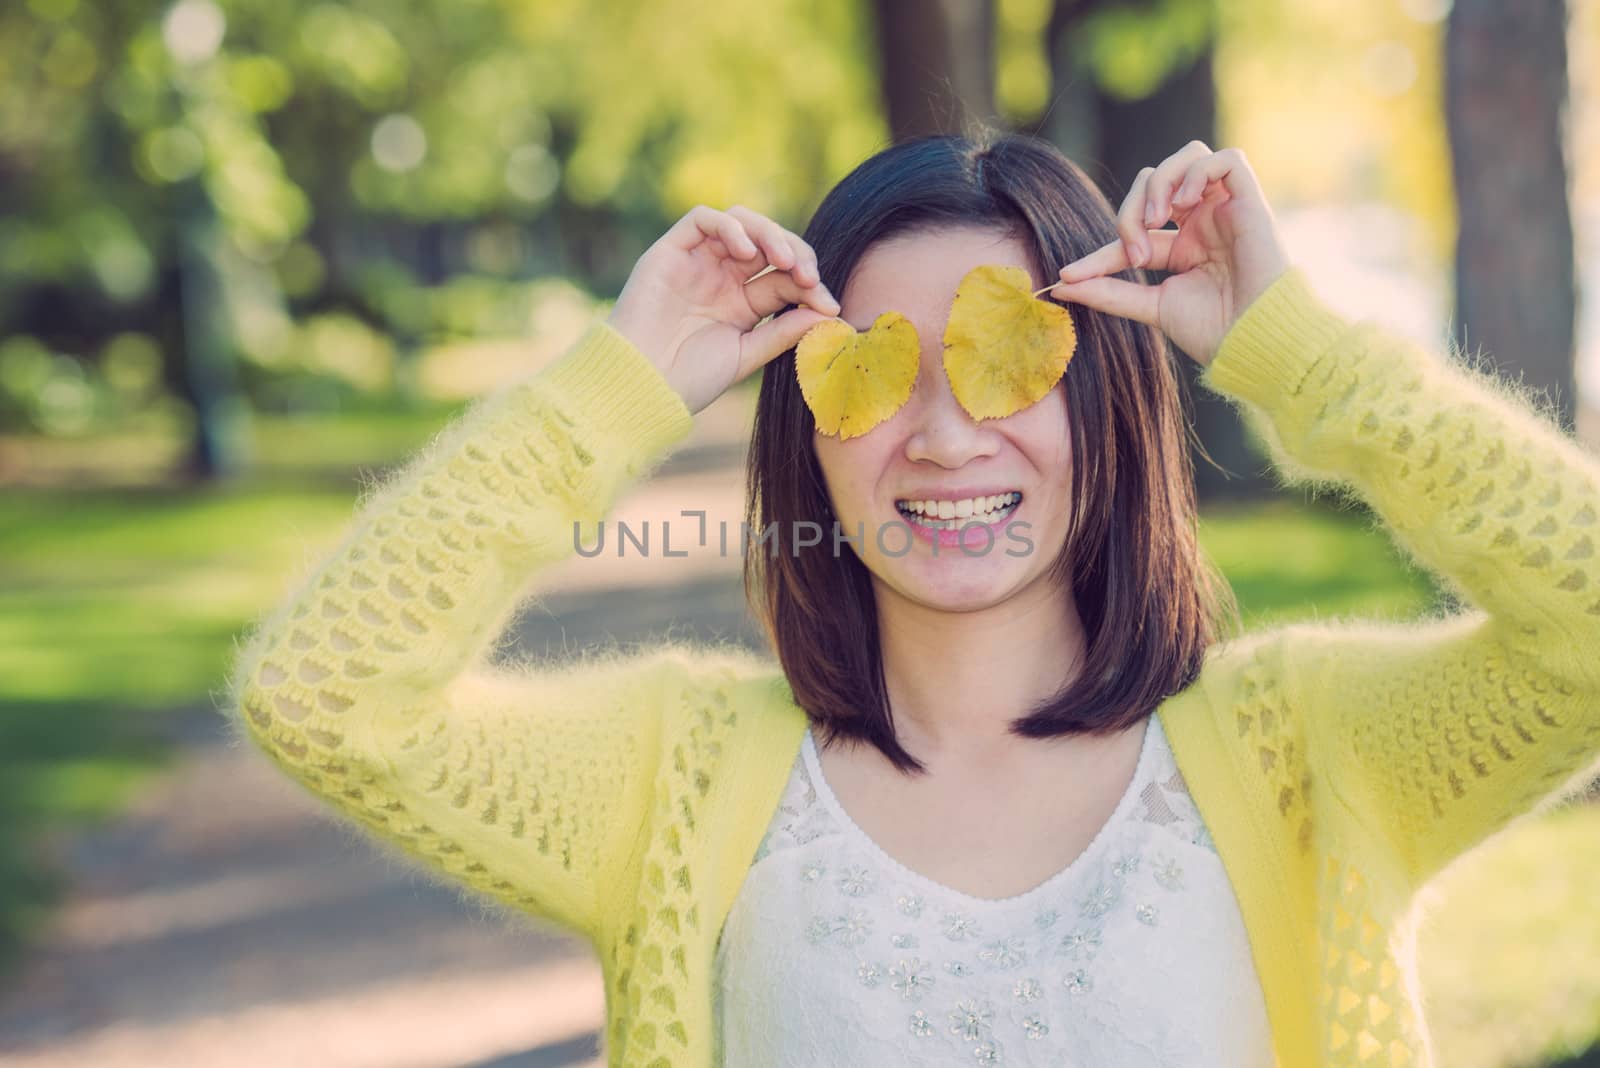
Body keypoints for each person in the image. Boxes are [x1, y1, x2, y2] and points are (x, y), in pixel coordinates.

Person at [225, 133, 1600, 1067]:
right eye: (876, 372)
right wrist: (618, 384)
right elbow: (325, 697)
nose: (945, 439)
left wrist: (1297, 356)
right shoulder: (676, 776)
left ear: (1116, 395)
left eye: (1014, 362)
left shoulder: (1313, 750)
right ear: (803, 428)